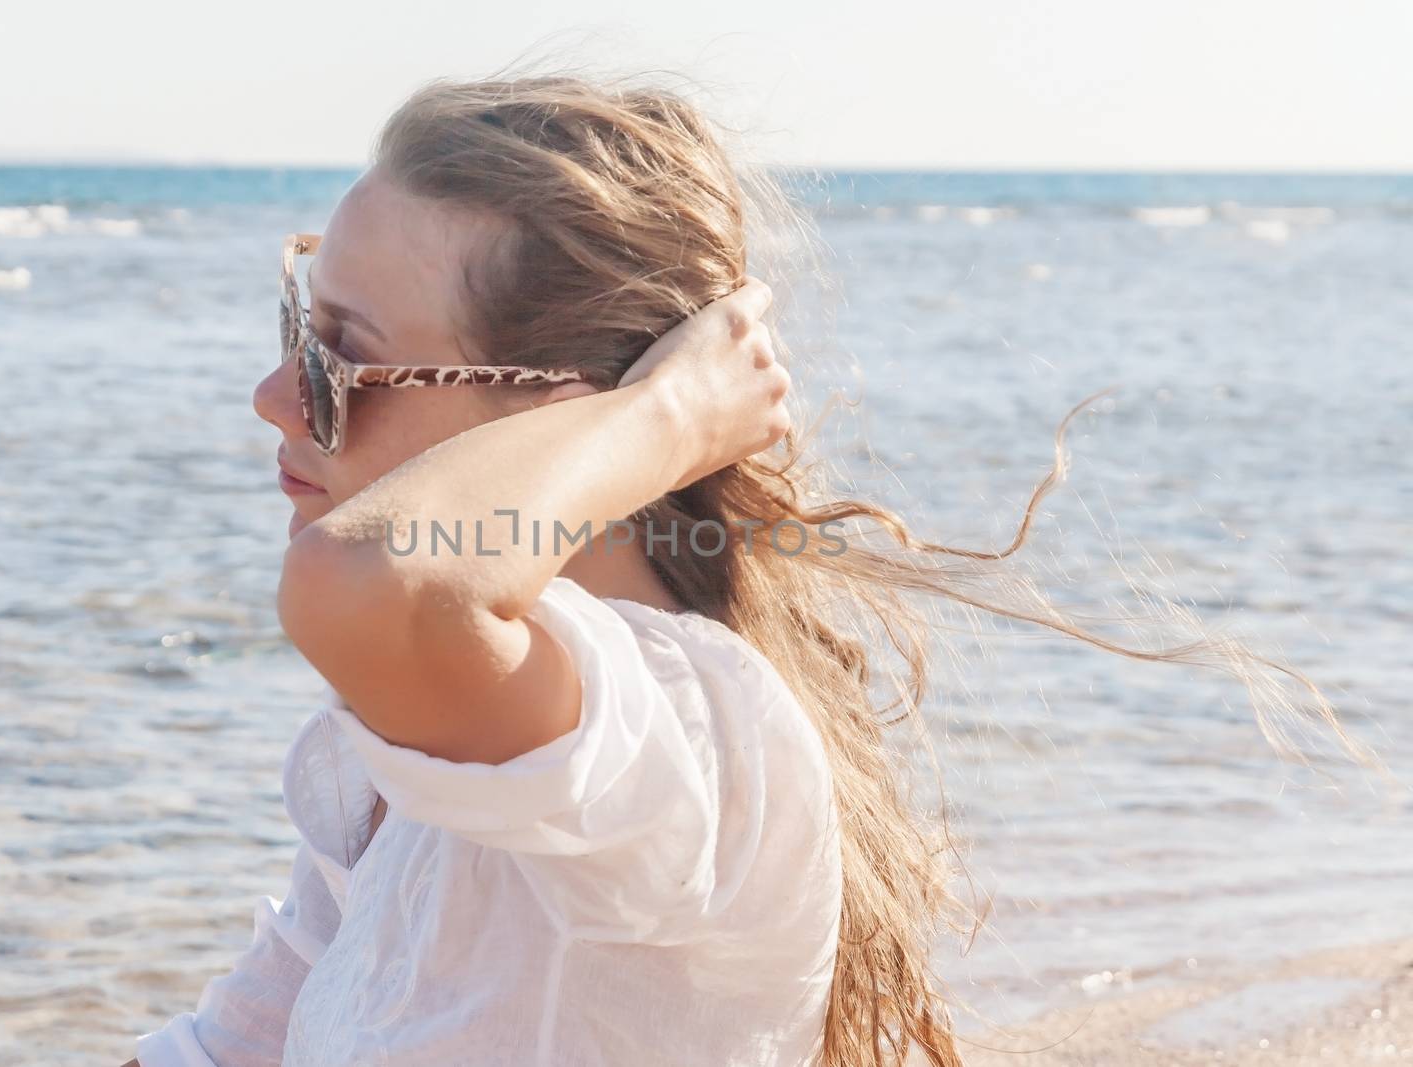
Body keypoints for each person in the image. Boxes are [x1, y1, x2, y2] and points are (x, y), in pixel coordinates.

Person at [128, 68, 1372, 1067]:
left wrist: (672, 415)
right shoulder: (454, 733)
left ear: (555, 420)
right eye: (298, 327)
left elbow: (371, 584)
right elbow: (241, 1038)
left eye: (343, 359)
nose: (275, 395)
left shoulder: (695, 740)